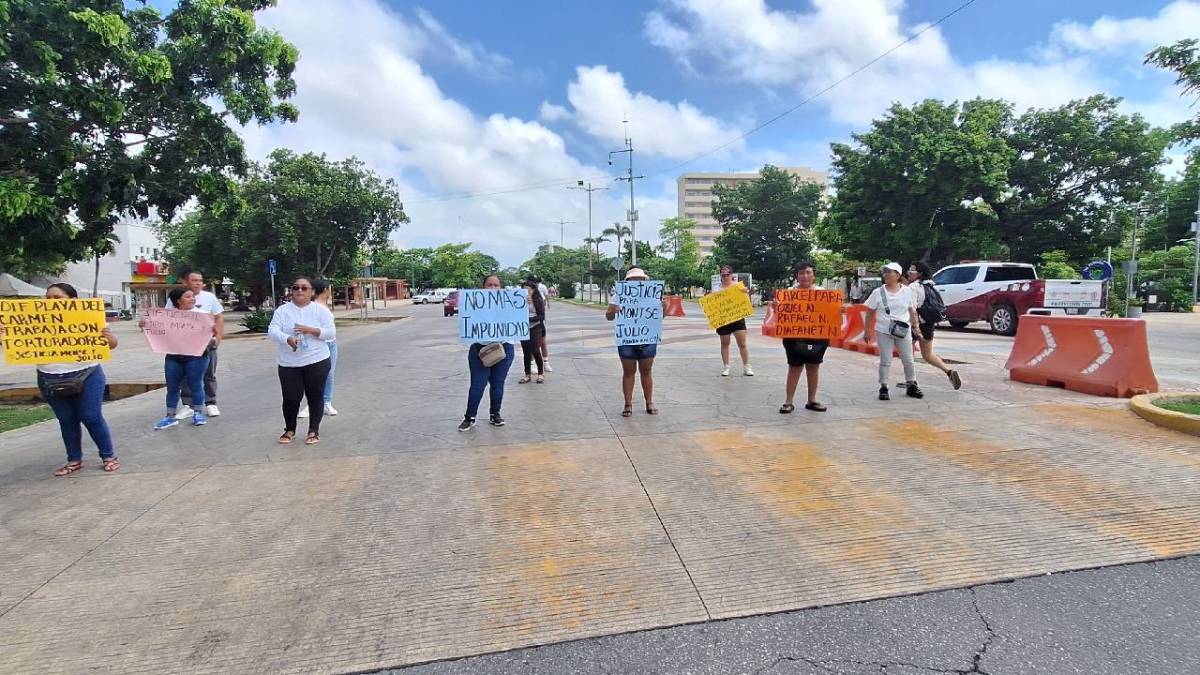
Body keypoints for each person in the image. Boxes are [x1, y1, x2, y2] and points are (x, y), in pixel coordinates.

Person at [30, 283, 120, 474]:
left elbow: (112, 344)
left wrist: (108, 336)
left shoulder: (88, 318)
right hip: (49, 377)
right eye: (49, 299)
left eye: (58, 299)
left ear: (73, 301)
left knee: (91, 416)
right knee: (66, 419)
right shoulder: (34, 321)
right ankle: (74, 460)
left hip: (87, 374)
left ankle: (108, 456)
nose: (52, 303)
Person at [268, 276, 336, 445]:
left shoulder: (320, 311)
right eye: (296, 287)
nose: (299, 291)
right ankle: (289, 429)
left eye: (304, 288)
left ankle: (313, 430)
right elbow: (272, 331)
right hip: (289, 363)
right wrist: (287, 338)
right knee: (291, 397)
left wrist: (311, 330)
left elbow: (331, 333)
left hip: (317, 360)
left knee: (315, 396)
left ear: (312, 292)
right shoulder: (282, 311)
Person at [605, 268, 666, 417]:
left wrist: (664, 308)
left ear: (645, 280)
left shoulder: (653, 295)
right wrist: (613, 310)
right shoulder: (619, 295)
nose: (637, 281)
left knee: (646, 371)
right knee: (628, 372)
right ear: (628, 281)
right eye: (634, 279)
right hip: (627, 339)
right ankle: (628, 403)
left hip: (647, 339)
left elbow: (658, 318)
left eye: (640, 278)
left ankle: (649, 402)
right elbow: (609, 316)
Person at [460, 274, 516, 431]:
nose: (492, 288)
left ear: (501, 287)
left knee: (498, 384)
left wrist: (524, 304)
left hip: (504, 348)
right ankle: (469, 417)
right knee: (478, 385)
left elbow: (520, 317)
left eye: (496, 285)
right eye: (489, 285)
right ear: (482, 287)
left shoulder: (510, 303)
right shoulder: (475, 303)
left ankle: (495, 414)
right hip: (480, 350)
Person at [150, 287, 211, 429]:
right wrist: (146, 325)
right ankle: (170, 416)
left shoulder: (202, 315)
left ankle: (198, 413)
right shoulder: (168, 316)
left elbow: (212, 333)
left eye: (192, 296)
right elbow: (157, 331)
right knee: (172, 387)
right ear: (178, 300)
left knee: (195, 384)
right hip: (174, 356)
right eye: (188, 296)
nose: (192, 299)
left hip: (197, 356)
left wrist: (213, 336)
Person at [167, 270, 223, 419]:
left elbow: (218, 318)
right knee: (186, 376)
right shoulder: (174, 299)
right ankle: (188, 405)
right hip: (183, 347)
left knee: (209, 374)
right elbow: (165, 320)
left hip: (205, 346)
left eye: (200, 280)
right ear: (186, 282)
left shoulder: (209, 297)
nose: (198, 283)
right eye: (194, 280)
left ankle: (210, 403)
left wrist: (217, 339)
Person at [864, 263, 924, 400]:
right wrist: (867, 330)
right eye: (884, 272)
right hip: (884, 330)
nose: (885, 275)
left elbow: (911, 310)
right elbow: (870, 312)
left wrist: (916, 327)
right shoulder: (878, 292)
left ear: (897, 275)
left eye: (889, 272)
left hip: (903, 330)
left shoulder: (907, 291)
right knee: (886, 359)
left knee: (908, 359)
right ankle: (883, 386)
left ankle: (912, 384)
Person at [777, 262, 828, 413]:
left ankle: (812, 400)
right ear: (797, 276)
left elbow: (829, 313)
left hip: (817, 336)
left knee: (814, 366)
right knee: (794, 367)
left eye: (808, 272)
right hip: (794, 336)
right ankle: (788, 401)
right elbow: (782, 313)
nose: (805, 276)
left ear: (813, 274)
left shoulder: (822, 292)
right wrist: (776, 307)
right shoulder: (789, 293)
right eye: (801, 273)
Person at [906, 261, 963, 390]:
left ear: (919, 273)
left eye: (912, 270)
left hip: (915, 325)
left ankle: (911, 381)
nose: (908, 272)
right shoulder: (930, 286)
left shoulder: (913, 287)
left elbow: (912, 308)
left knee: (907, 354)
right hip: (928, 324)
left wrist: (915, 327)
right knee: (928, 354)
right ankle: (948, 371)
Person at [298, 279, 339, 418]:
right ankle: (311, 405)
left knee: (329, 375)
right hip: (319, 345)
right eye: (330, 289)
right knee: (315, 377)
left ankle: (327, 402)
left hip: (331, 343)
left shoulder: (325, 306)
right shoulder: (312, 307)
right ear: (326, 290)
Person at [715, 265, 754, 377]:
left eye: (727, 274)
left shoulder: (738, 286)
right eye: (723, 275)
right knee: (725, 343)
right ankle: (726, 366)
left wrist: (746, 293)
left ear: (732, 275)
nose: (725, 277)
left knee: (742, 343)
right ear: (721, 276)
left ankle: (747, 366)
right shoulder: (717, 288)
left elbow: (746, 302)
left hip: (737, 318)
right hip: (723, 320)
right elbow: (712, 304)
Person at [518, 280, 546, 384]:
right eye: (523, 290)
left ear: (533, 290)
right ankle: (527, 374)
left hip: (535, 327)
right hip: (523, 328)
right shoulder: (519, 300)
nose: (525, 292)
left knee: (535, 349)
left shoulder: (538, 300)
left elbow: (541, 316)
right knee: (526, 351)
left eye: (528, 290)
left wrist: (529, 319)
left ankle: (540, 373)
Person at [533, 275, 553, 372]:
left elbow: (546, 297)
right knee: (531, 344)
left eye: (536, 282)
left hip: (539, 321)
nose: (535, 284)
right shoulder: (524, 292)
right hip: (528, 324)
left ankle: (546, 362)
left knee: (542, 342)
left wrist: (547, 304)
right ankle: (532, 364)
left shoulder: (541, 292)